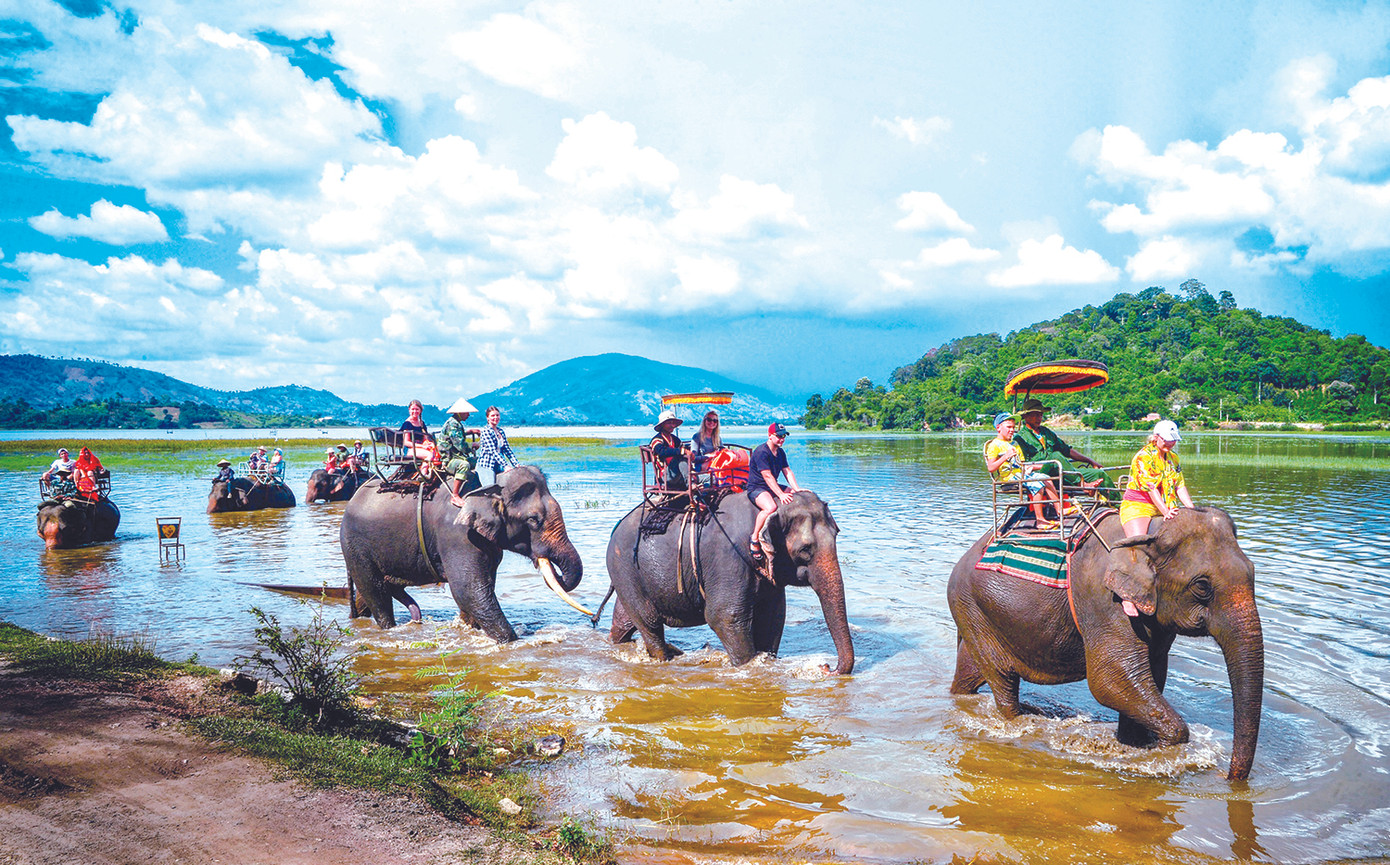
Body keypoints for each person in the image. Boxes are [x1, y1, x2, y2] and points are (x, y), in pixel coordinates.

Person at [1013, 398, 1115, 498]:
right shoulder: (1020, 437)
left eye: (1041, 415)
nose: (1039, 418)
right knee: (1056, 456)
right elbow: (1021, 464)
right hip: (1040, 473)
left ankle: (1117, 505)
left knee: (1099, 473)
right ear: (1026, 416)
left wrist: (1090, 460)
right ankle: (1083, 485)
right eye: (1035, 415)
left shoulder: (1046, 432)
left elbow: (1067, 450)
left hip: (1062, 471)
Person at [983, 412, 1065, 529]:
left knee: (1046, 478)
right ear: (998, 428)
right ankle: (1040, 520)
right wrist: (1005, 456)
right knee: (1037, 484)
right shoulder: (994, 445)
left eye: (1013, 427)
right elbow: (991, 467)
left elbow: (1021, 464)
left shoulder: (1014, 444)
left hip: (1020, 474)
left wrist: (1034, 467)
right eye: (1009, 427)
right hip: (1009, 477)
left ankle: (1060, 510)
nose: (1012, 430)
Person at [747, 422, 801, 564]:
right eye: (779, 436)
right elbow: (767, 476)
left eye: (784, 436)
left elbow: (787, 471)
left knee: (796, 496)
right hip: (757, 487)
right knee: (770, 507)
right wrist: (781, 495)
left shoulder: (780, 452)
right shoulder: (761, 452)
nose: (782, 439)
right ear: (770, 436)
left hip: (772, 486)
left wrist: (796, 489)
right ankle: (754, 538)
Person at [438, 397, 482, 506]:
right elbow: (460, 445)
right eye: (466, 412)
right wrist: (473, 445)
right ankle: (455, 495)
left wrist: (469, 432)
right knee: (464, 465)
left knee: (480, 461)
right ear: (460, 412)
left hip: (457, 456)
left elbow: (456, 435)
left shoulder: (456, 423)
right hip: (450, 459)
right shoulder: (453, 424)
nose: (468, 415)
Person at [477, 405, 519, 483]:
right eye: (492, 415)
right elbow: (493, 451)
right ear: (488, 418)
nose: (495, 417)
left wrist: (516, 465)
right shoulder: (486, 431)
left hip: (499, 465)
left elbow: (507, 450)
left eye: (497, 415)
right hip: (487, 465)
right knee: (490, 488)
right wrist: (505, 465)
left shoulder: (501, 431)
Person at [649, 409, 688, 491]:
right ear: (662, 425)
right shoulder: (657, 440)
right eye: (669, 423)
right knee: (679, 457)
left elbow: (683, 448)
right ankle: (691, 483)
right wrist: (681, 451)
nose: (672, 425)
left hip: (678, 474)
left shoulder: (675, 439)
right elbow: (661, 451)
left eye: (673, 423)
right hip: (665, 476)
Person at [689, 410, 722, 477]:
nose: (712, 422)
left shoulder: (717, 438)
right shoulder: (697, 437)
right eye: (709, 420)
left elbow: (722, 452)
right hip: (701, 466)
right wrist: (707, 457)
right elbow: (693, 458)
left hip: (716, 463)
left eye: (715, 421)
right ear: (705, 421)